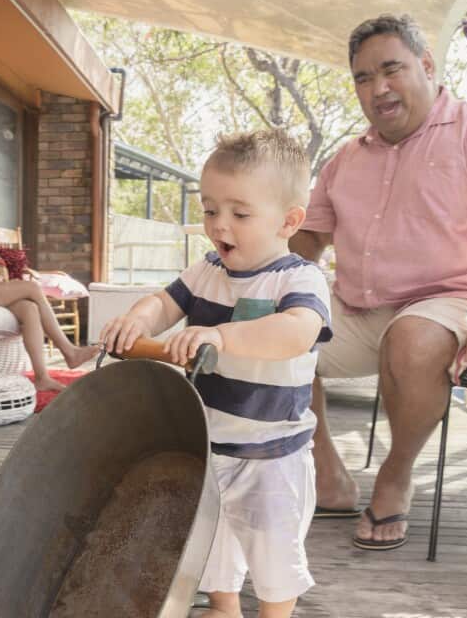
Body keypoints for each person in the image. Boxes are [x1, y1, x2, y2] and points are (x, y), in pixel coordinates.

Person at [291, 14, 467, 551]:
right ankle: (329, 474)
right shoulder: (346, 158)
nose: (378, 88)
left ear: (428, 66)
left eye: (391, 70)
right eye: (363, 79)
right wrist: (257, 292)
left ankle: (396, 473)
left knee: (411, 340)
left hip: (450, 302)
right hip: (361, 308)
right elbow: (308, 239)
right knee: (272, 334)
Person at [101, 129, 332, 618]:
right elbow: (164, 303)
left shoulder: (297, 279)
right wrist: (138, 321)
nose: (218, 224)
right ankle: (224, 607)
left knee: (272, 548)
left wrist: (222, 337)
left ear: (288, 221)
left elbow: (297, 332)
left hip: (273, 453)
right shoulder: (207, 270)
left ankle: (274, 614)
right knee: (212, 539)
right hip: (210, 443)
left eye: (240, 213)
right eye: (210, 210)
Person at [0, 189, 100, 392]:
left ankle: (42, 376)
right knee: (31, 287)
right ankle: (68, 351)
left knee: (29, 308)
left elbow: (2, 276)